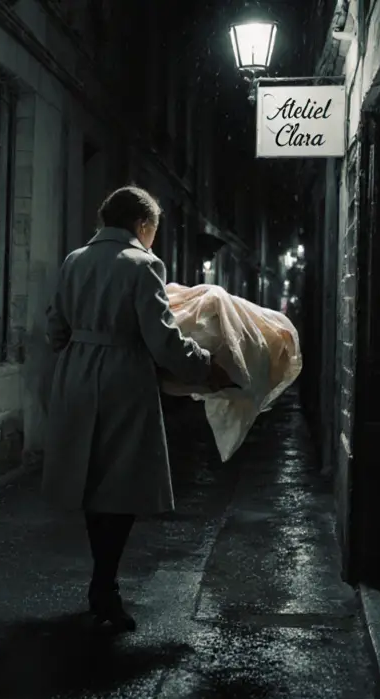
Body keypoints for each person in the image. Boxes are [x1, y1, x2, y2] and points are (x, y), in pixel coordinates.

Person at [42, 185, 234, 632]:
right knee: (121, 484)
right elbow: (163, 339)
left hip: (76, 374)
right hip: (122, 379)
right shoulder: (143, 264)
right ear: (142, 225)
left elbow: (55, 327)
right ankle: (105, 586)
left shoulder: (75, 260)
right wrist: (206, 366)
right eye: (154, 230)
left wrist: (77, 352)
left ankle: (101, 582)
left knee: (91, 481)